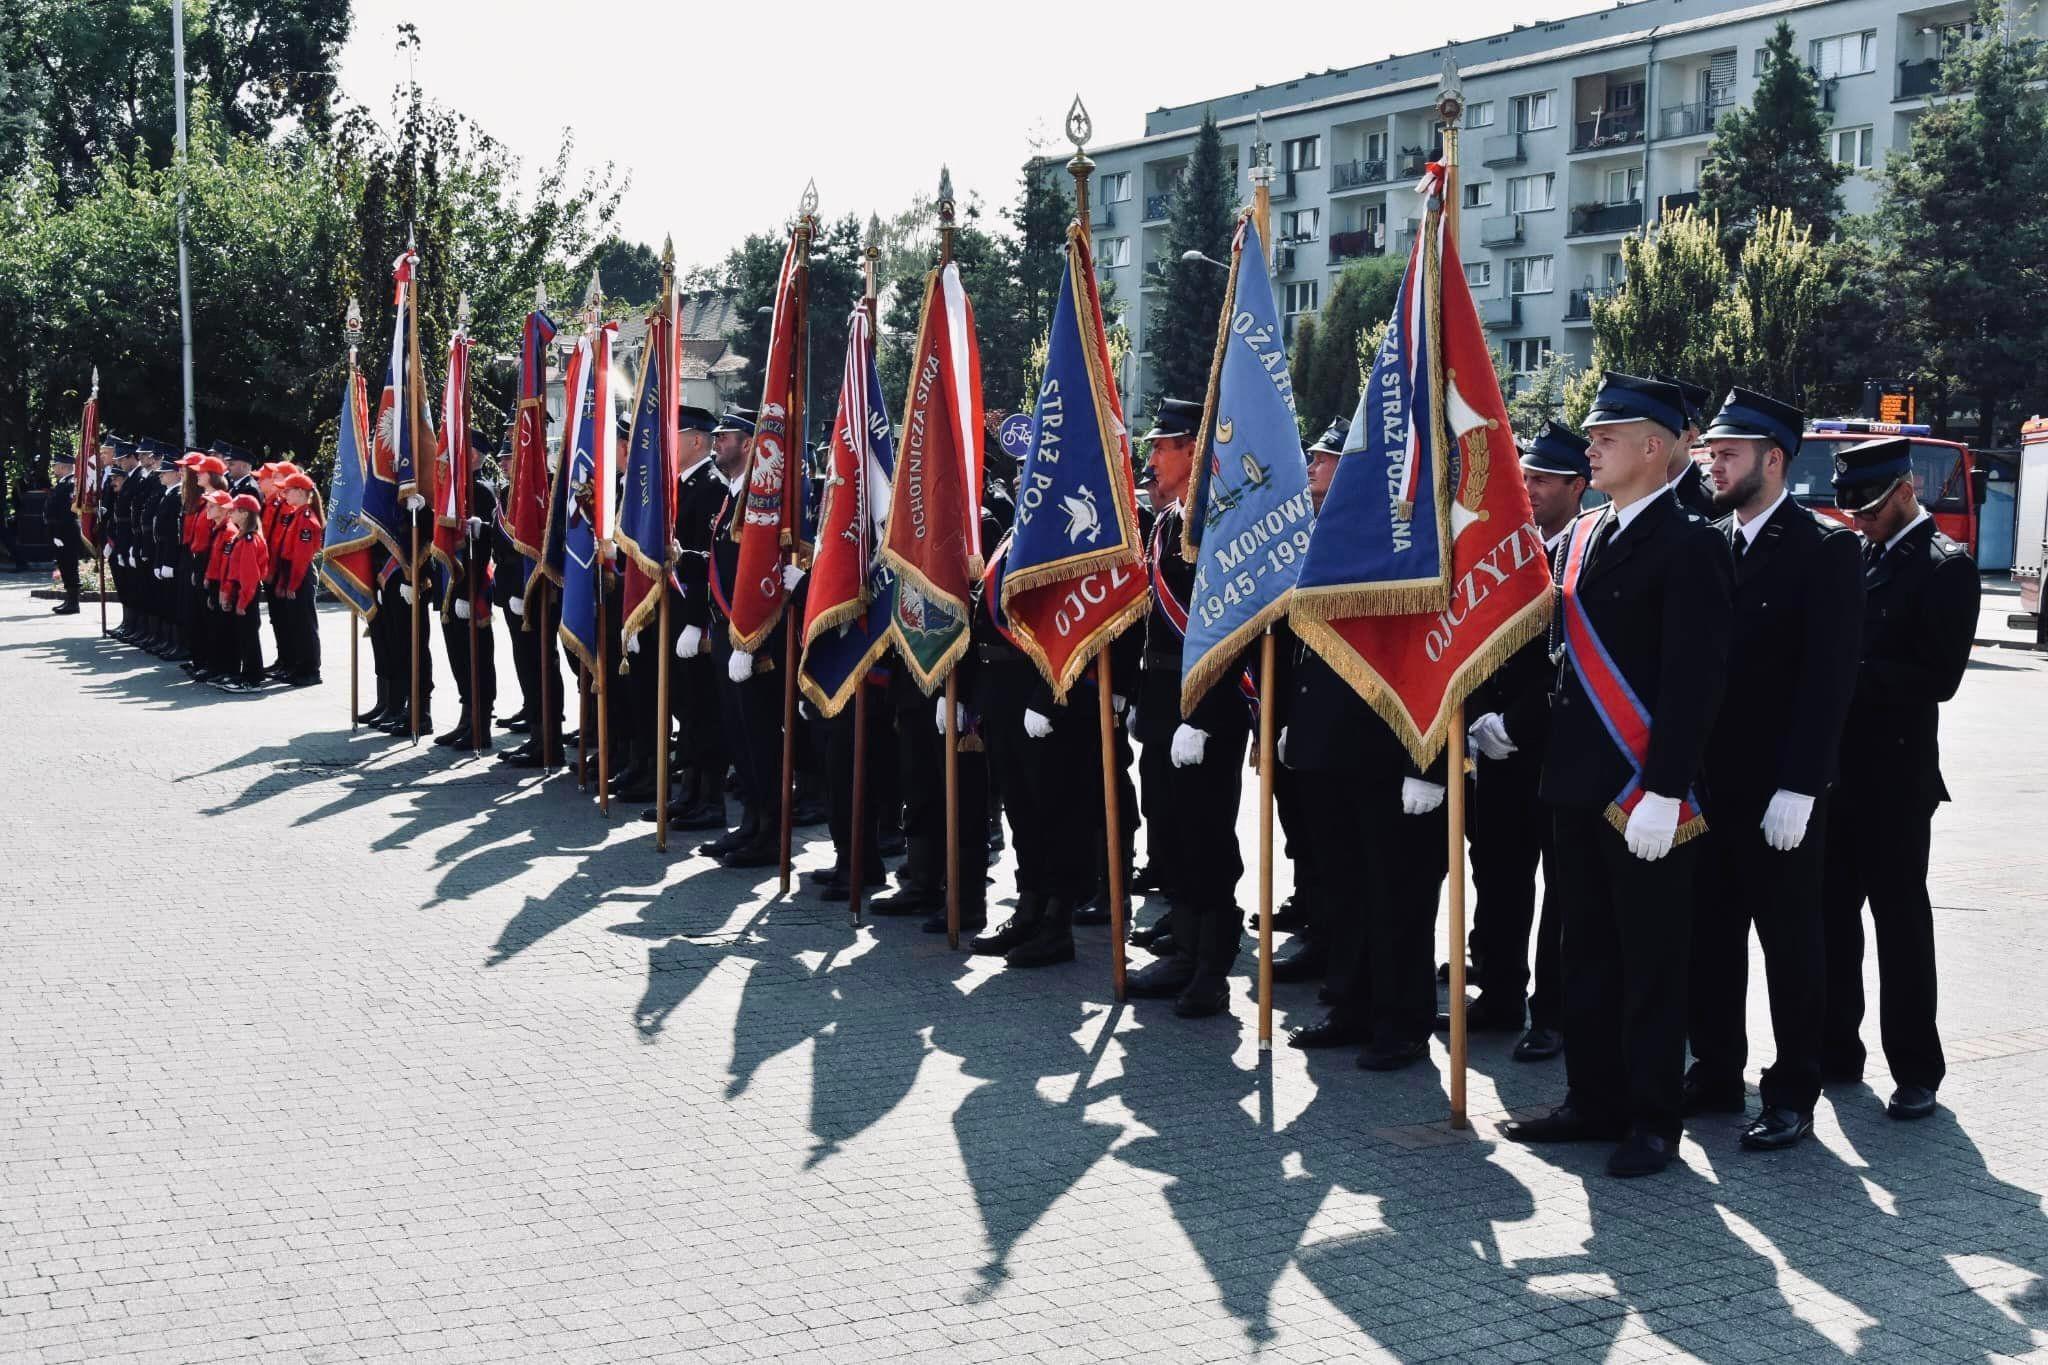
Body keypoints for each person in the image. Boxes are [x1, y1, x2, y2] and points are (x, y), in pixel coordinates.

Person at [1502, 372, 1733, 1178]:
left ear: (1654, 447)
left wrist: (1665, 789)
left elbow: (1694, 681)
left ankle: (1653, 1118)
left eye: (1607, 437)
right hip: (1575, 783)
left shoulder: (1693, 543)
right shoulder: (1582, 536)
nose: (1591, 448)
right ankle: (1591, 1099)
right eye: (1593, 436)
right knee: (1585, 953)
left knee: (1651, 963)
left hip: (1645, 792)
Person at [1682, 389, 1864, 1151]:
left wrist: (1802, 783)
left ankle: (1793, 1089)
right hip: (1710, 783)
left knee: (1791, 944)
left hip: (1779, 790)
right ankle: (1717, 1069)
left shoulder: (1825, 547)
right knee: (1711, 936)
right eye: (1711, 454)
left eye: (1728, 455)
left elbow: (1830, 678)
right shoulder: (1711, 540)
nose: (1714, 467)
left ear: (1775, 460)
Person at [1821, 435, 1980, 1122]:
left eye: (1871, 509)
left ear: (1906, 492)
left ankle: (1916, 1069)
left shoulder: (1946, 566)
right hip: (1837, 773)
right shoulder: (1859, 552)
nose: (1859, 520)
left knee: (1901, 926)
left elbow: (1938, 677)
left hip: (1895, 777)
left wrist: (1842, 671)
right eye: (1853, 510)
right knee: (1831, 920)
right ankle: (1836, 1050)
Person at [1459, 420, 1589, 1063]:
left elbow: (1574, 663)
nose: (1529, 488)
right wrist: (1480, 716)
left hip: (1553, 747)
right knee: (1499, 875)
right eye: (1525, 476)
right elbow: (1475, 639)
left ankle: (1554, 1014)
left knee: (1561, 892)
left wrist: (1517, 722)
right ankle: (1499, 992)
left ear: (1577, 485)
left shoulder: (1586, 549)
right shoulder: (1509, 548)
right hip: (1495, 747)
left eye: (1543, 479)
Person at [1125, 397, 1250, 1019]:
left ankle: (1210, 967)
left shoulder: (1217, 524)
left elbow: (1231, 630)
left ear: (1194, 451)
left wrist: (1201, 717)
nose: (1151, 459)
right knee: (1170, 829)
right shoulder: (1168, 522)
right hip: (1162, 703)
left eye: (1162, 447)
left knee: (1206, 837)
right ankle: (1182, 945)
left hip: (1204, 708)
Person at [436, 442, 498, 749]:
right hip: (452, 588)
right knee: (459, 656)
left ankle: (481, 726)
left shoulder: (480, 491)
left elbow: (483, 548)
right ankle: (466, 718)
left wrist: (467, 592)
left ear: (473, 455)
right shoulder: (455, 489)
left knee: (477, 658)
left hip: (471, 589)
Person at [270, 472, 324, 686]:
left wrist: (292, 584)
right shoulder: (297, 514)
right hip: (292, 572)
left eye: (288, 490)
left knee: (305, 625)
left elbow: (301, 557)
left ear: (301, 492)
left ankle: (310, 670)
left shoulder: (306, 518)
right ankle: (298, 667)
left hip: (300, 574)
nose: (284, 494)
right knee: (295, 624)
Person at [215, 493, 270, 691]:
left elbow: (249, 576)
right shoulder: (243, 537)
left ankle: (252, 680)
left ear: (245, 514)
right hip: (241, 591)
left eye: (234, 510)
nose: (230, 513)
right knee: (244, 636)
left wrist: (243, 602)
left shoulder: (248, 539)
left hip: (246, 592)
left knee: (248, 637)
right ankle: (248, 676)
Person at [1652, 372, 1716, 518]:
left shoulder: (1714, 502)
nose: (1649, 439)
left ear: (1690, 437)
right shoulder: (1633, 495)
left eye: (1661, 428)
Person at [44, 451, 83, 614]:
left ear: (63, 467)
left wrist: (59, 534)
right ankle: (69, 600)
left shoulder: (70, 484)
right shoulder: (63, 483)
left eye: (55, 466)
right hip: (60, 532)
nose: (53, 469)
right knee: (64, 565)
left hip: (66, 532)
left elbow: (68, 512)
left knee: (69, 565)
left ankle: (73, 603)